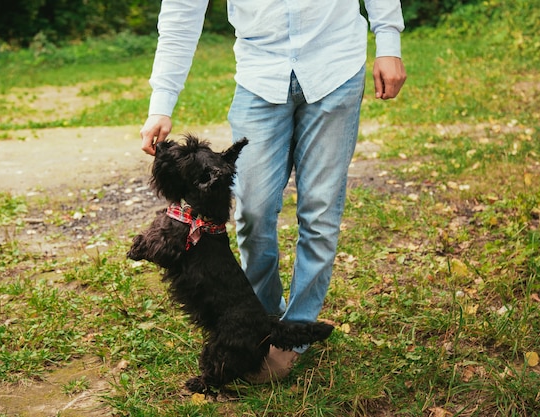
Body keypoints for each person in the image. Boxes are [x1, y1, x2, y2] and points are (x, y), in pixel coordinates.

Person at [139, 0, 406, 382]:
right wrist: (161, 102)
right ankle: (259, 324)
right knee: (253, 212)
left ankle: (293, 336)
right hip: (260, 75)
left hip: (336, 65)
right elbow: (182, 10)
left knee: (320, 211)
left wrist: (388, 41)